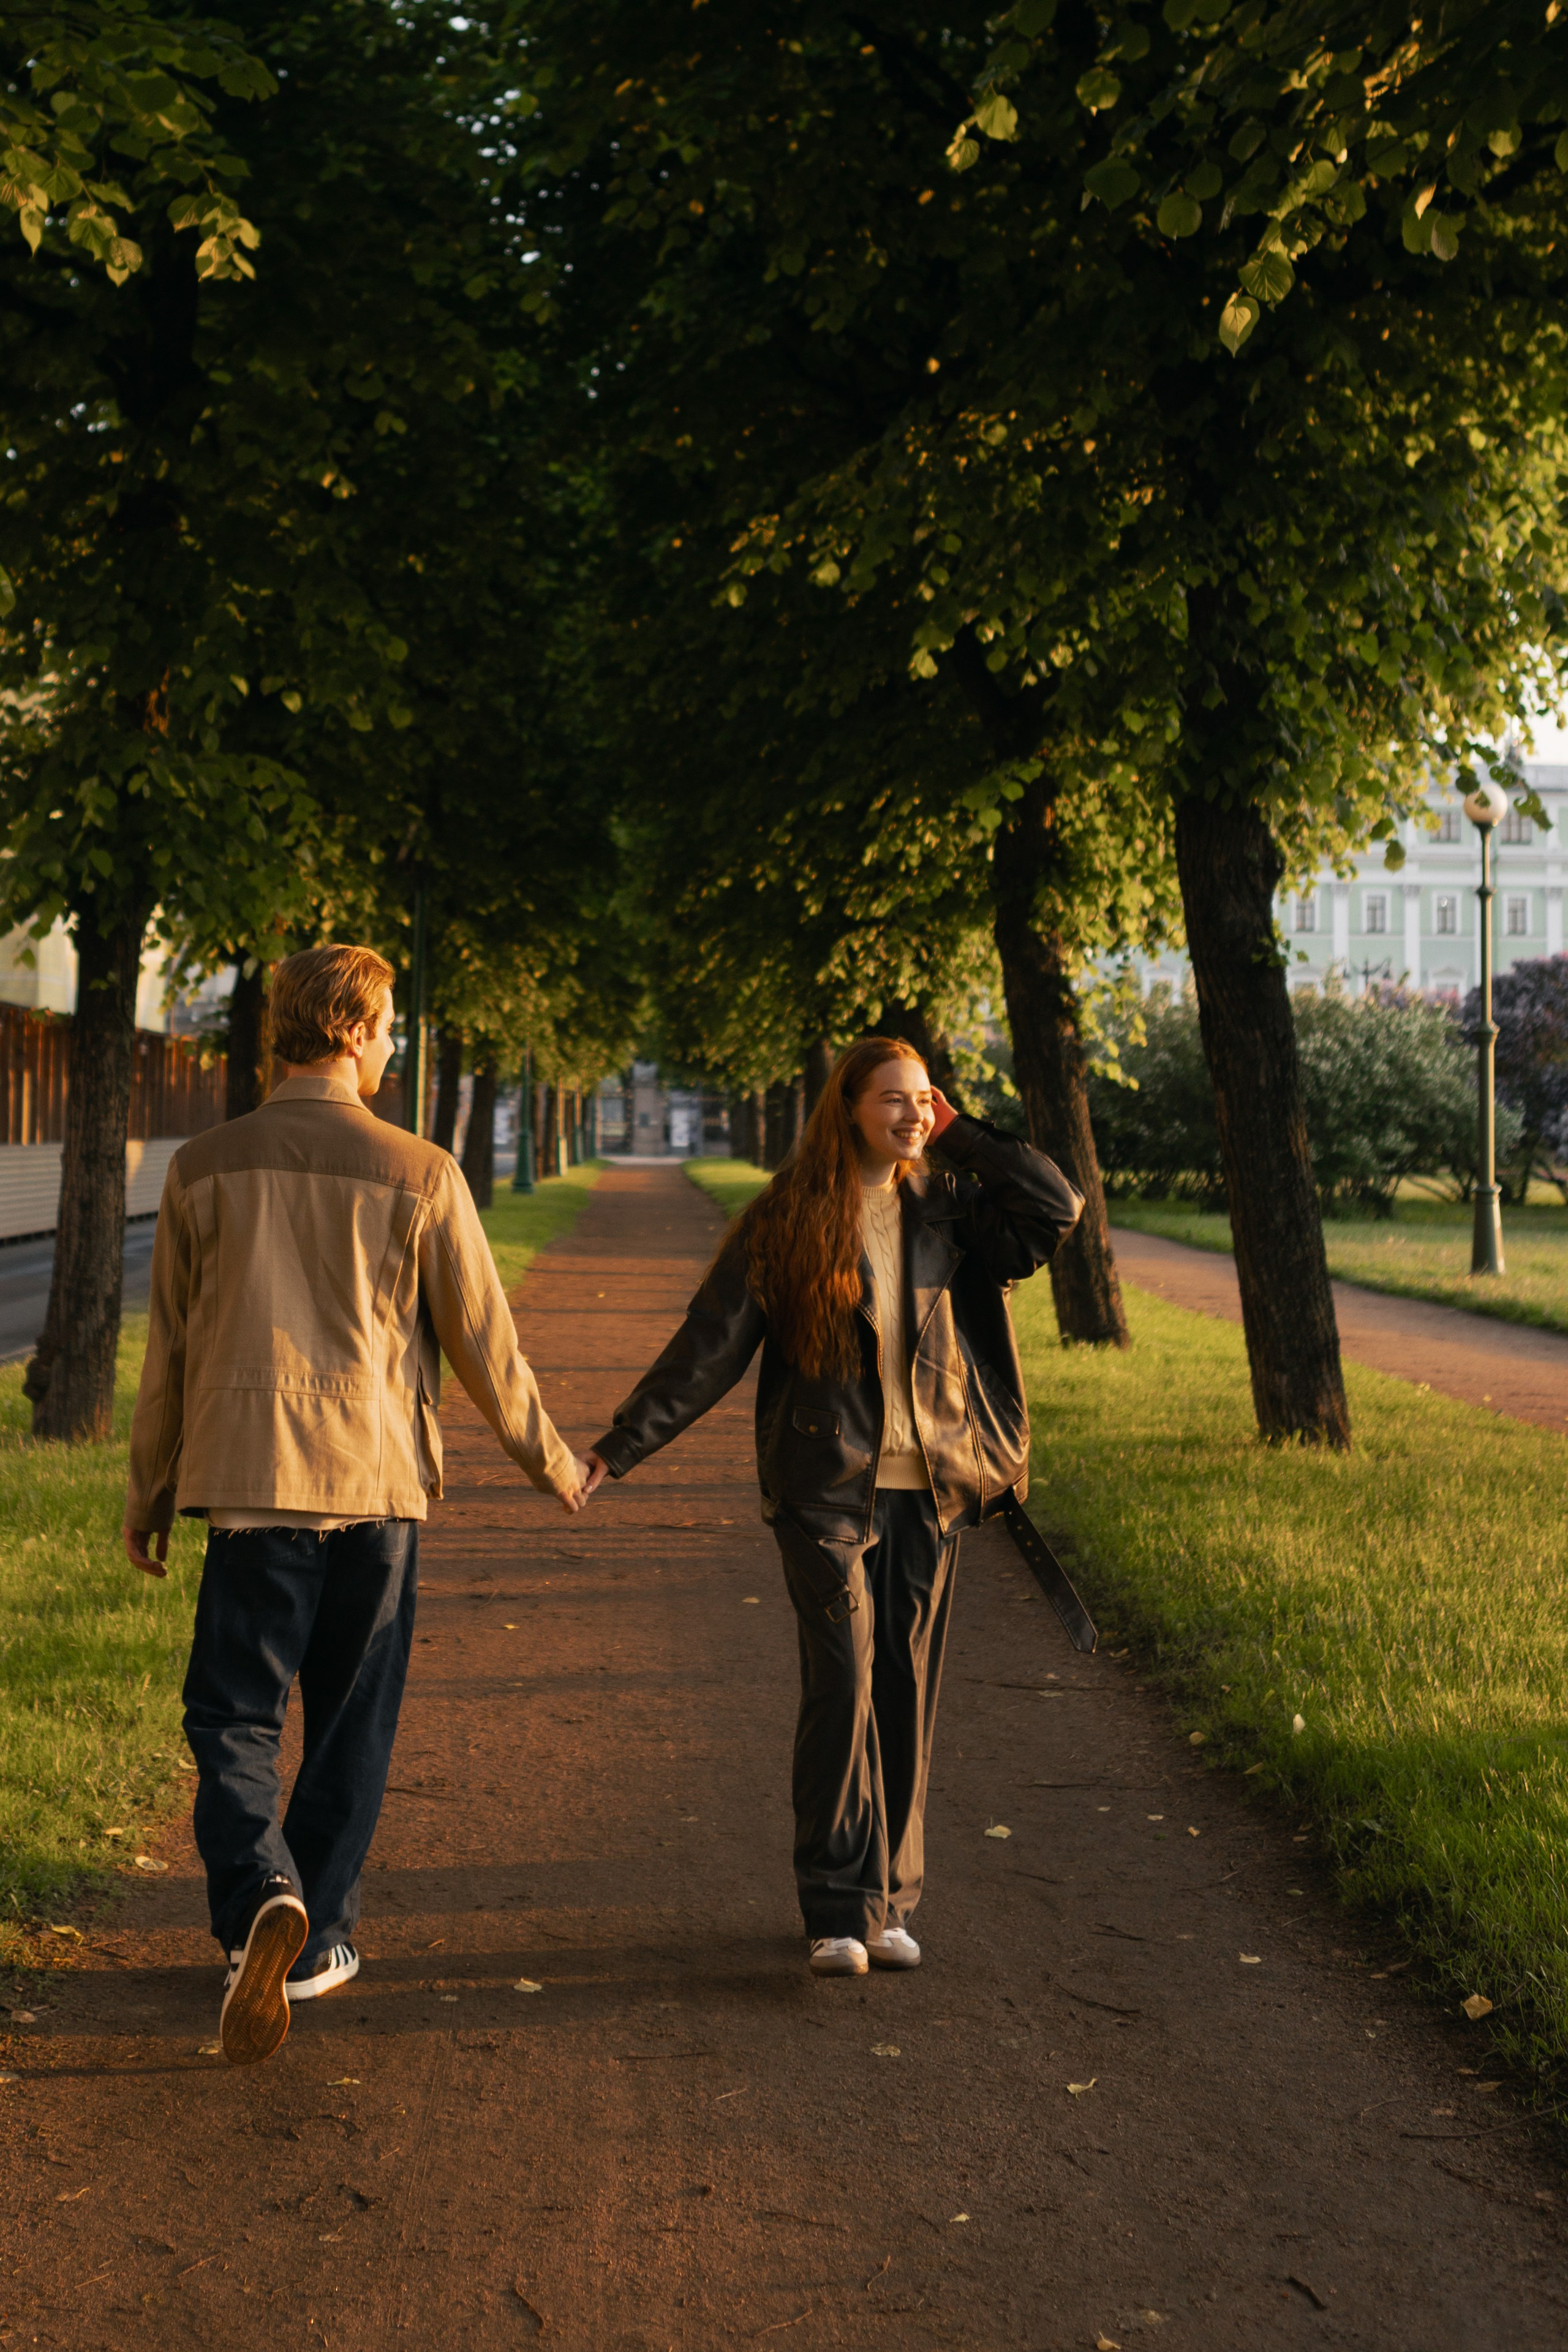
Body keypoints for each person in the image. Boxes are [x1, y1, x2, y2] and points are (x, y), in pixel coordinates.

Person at [123, 944, 592, 2065]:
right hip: (376, 1489)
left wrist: (149, 1489)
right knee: (349, 1718)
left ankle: (260, 1897)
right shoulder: (421, 1171)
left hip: (247, 1488)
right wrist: (550, 1461)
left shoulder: (202, 1167)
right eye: (387, 1028)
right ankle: (318, 1934)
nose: (394, 1046)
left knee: (232, 1716)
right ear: (350, 1031)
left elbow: (170, 1350)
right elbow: (484, 1342)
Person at [582, 1036, 1082, 1977]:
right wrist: (623, 1444)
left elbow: (1056, 1206)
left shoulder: (953, 1209)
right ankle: (835, 1910)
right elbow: (712, 1344)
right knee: (843, 1684)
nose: (912, 1112)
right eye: (892, 1097)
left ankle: (890, 1901)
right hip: (824, 1489)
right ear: (846, 1107)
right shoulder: (790, 1218)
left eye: (924, 1097)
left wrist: (964, 1134)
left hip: (929, 1487)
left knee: (904, 1692)